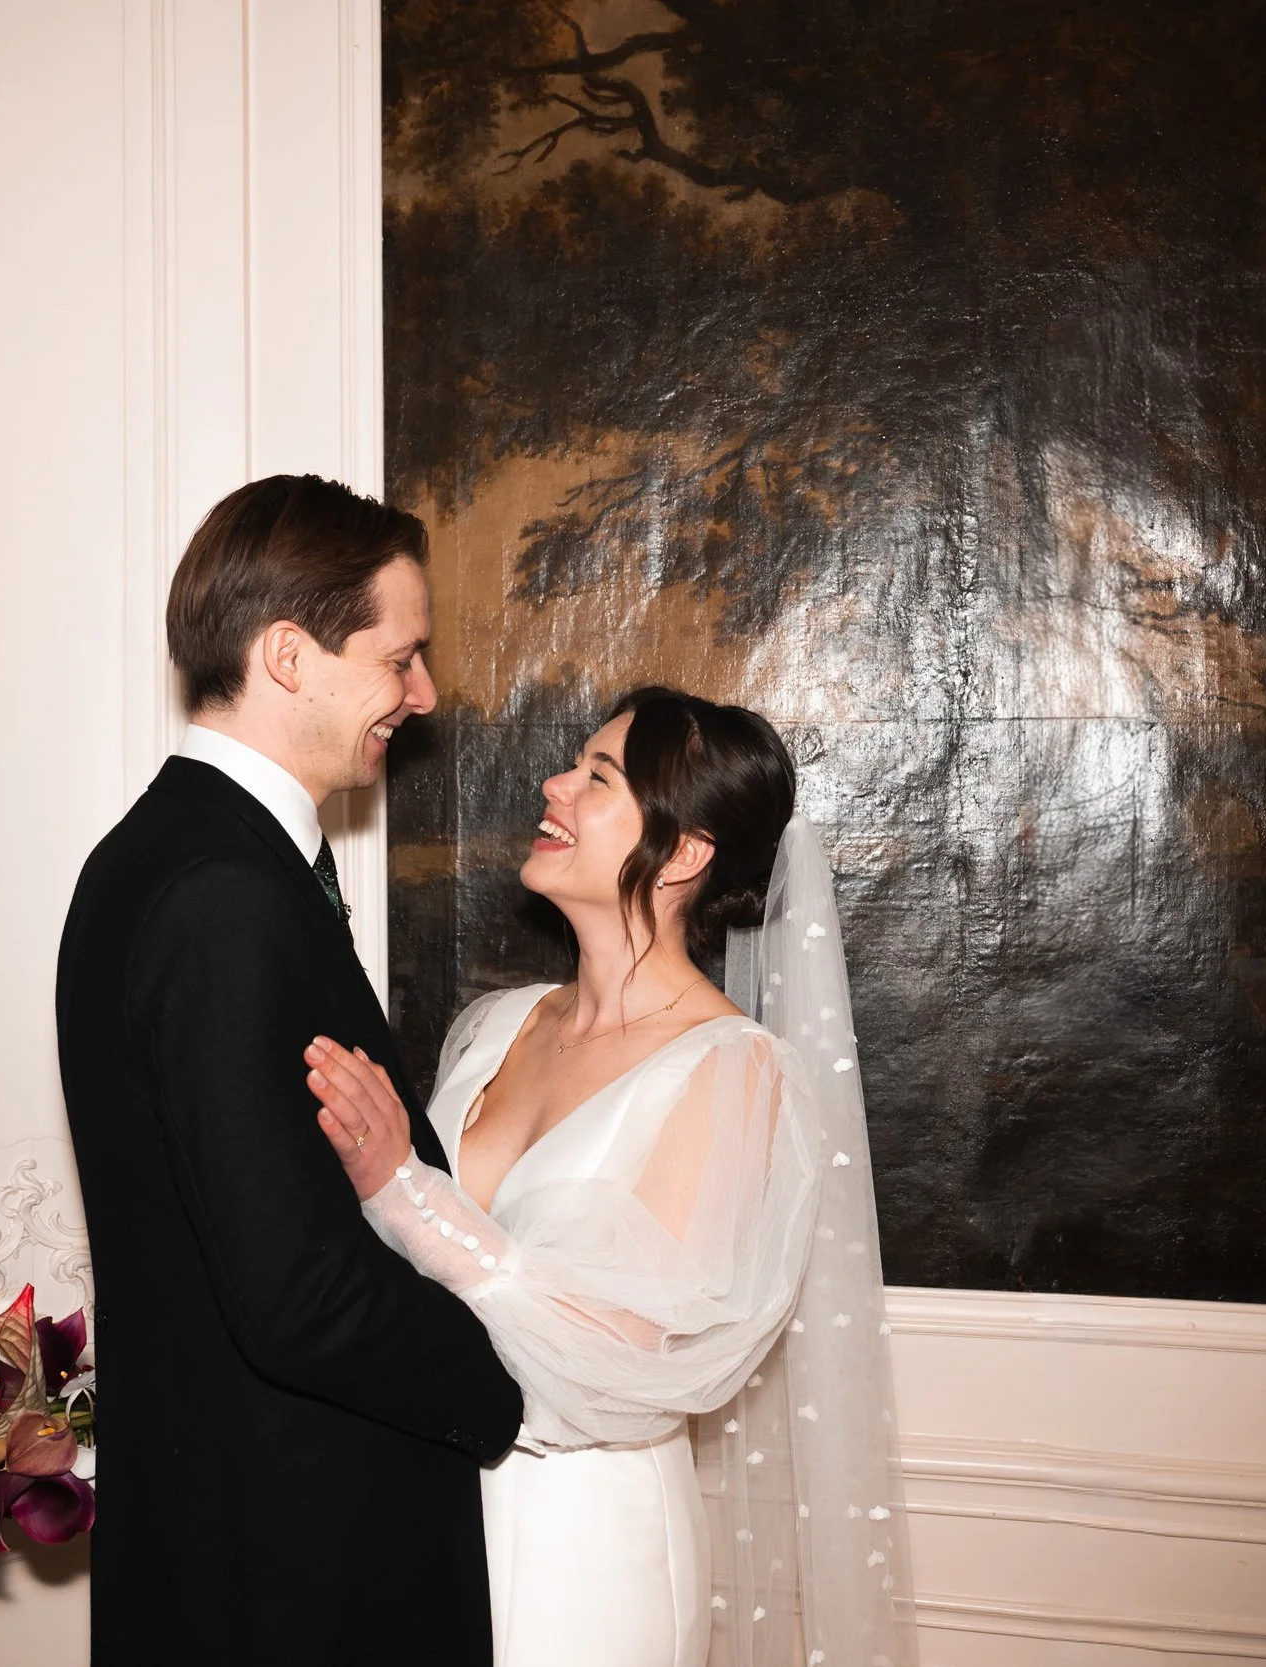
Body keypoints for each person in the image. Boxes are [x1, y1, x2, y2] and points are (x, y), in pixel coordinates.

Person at [305, 688, 914, 1667]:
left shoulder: (731, 1070)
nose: (553, 785)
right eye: (571, 764)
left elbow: (630, 1358)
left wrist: (400, 1190)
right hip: (423, 1504)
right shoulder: (499, 1024)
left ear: (683, 853)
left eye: (597, 777)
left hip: (578, 1540)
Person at [56, 476, 523, 1666]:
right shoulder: (222, 893)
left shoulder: (174, 853)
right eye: (399, 657)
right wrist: (499, 1379)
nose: (420, 696)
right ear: (288, 655)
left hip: (239, 1536)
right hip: (295, 1567)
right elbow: (295, 1294)